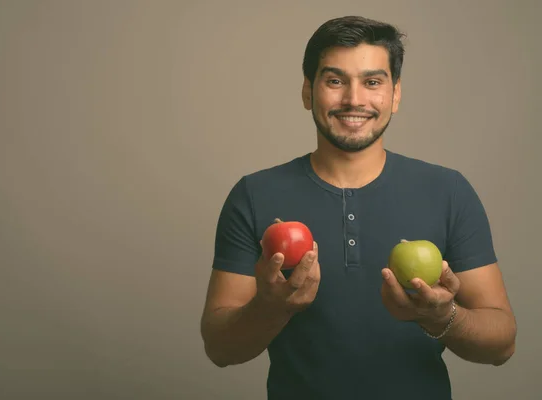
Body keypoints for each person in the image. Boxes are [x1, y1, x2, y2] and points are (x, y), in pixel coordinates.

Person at [200, 15, 517, 400]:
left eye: (372, 82)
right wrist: (271, 308)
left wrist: (439, 318)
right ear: (307, 91)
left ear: (395, 94)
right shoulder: (254, 194)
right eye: (335, 81)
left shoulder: (448, 190)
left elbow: (502, 344)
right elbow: (219, 349)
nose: (354, 99)